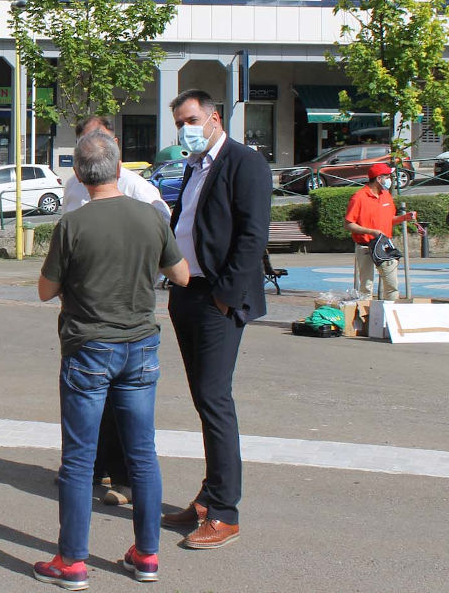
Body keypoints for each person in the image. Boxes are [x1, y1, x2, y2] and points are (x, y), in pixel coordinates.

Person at [33, 132, 190, 590]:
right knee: (142, 454)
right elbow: (181, 275)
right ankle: (147, 555)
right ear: (119, 168)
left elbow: (45, 290)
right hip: (139, 345)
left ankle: (72, 561)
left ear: (80, 175)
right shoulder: (151, 216)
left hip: (88, 346)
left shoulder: (73, 225)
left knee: (79, 460)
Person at [163, 89, 270, 549]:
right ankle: (209, 497)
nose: (184, 129)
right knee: (203, 400)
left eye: (190, 120)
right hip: (187, 291)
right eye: (179, 123)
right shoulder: (195, 165)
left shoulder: (245, 163)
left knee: (215, 400)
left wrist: (226, 297)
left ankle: (225, 511)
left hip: (217, 298)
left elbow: (253, 236)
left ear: (214, 118)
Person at [63, 116, 171, 509]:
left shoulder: (138, 189)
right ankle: (97, 467)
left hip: (126, 315)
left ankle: (124, 478)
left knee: (127, 411)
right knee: (94, 402)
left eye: (101, 139)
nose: (94, 148)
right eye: (86, 141)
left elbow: (165, 241)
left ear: (116, 145)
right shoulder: (73, 187)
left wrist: (139, 279)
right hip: (83, 315)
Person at [344, 163, 416, 300]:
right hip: (365, 246)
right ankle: (367, 312)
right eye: (387, 176)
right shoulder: (359, 197)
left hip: (384, 246)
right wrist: (372, 232)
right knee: (366, 287)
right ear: (378, 178)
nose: (390, 179)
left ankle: (390, 311)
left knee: (392, 285)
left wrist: (404, 218)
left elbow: (389, 220)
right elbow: (348, 224)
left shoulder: (386, 195)